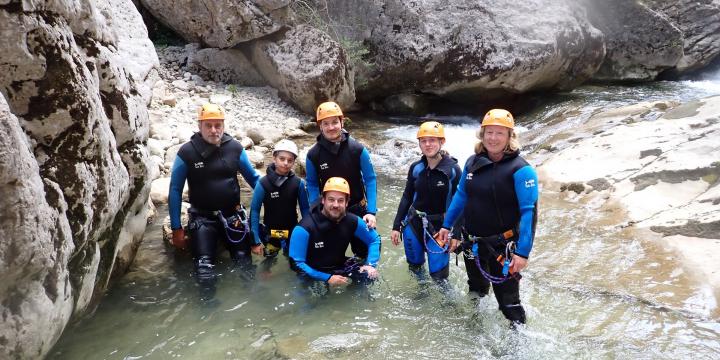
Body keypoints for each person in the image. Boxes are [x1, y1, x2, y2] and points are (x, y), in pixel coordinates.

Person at [436, 109, 539, 324]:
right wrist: (447, 225)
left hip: (502, 247)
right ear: (482, 135)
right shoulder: (473, 162)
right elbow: (462, 195)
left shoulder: (521, 170)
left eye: (499, 133)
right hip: (473, 242)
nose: (493, 138)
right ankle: (476, 328)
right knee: (476, 289)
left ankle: (518, 346)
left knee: (508, 303)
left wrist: (523, 253)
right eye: (489, 132)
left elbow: (528, 213)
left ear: (510, 136)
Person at [168, 103, 262, 294]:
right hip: (203, 218)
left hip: (233, 216)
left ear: (223, 125)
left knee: (244, 263)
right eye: (208, 125)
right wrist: (177, 228)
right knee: (204, 269)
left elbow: (254, 179)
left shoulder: (234, 148)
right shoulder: (187, 152)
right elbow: (175, 190)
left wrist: (276, 198)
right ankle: (208, 309)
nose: (213, 130)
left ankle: (254, 300)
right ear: (200, 126)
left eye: (218, 125)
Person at [305, 101, 378, 259]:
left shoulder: (357, 149)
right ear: (320, 126)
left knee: (365, 256)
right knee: (328, 258)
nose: (331, 127)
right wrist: (315, 208)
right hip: (330, 211)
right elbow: (311, 184)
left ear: (342, 122)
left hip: (358, 209)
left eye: (334, 122)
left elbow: (370, 179)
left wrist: (371, 212)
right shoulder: (313, 155)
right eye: (326, 123)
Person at [390, 121, 461, 281]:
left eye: (432, 140)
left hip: (440, 228)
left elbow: (460, 204)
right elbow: (407, 196)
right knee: (415, 269)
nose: (428, 144)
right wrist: (396, 226)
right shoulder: (416, 168)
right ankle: (421, 295)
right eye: (423, 141)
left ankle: (448, 305)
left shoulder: (453, 170)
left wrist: (456, 233)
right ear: (419, 144)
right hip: (413, 223)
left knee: (439, 277)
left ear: (441, 142)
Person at [289, 177, 380, 286]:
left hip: (339, 265)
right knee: (311, 298)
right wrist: (327, 278)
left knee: (369, 275)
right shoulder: (304, 228)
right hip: (312, 271)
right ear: (323, 200)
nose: (336, 205)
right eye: (331, 199)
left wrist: (370, 265)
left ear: (347, 202)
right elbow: (296, 264)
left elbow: (374, 239)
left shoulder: (352, 221)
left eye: (341, 200)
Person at [250, 139, 310, 262]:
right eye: (282, 159)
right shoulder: (263, 183)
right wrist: (255, 241)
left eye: (290, 160)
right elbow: (255, 211)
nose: (286, 163)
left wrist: (308, 233)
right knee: (268, 265)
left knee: (295, 263)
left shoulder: (298, 183)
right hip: (271, 235)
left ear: (294, 162)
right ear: (274, 158)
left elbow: (305, 209)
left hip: (292, 233)